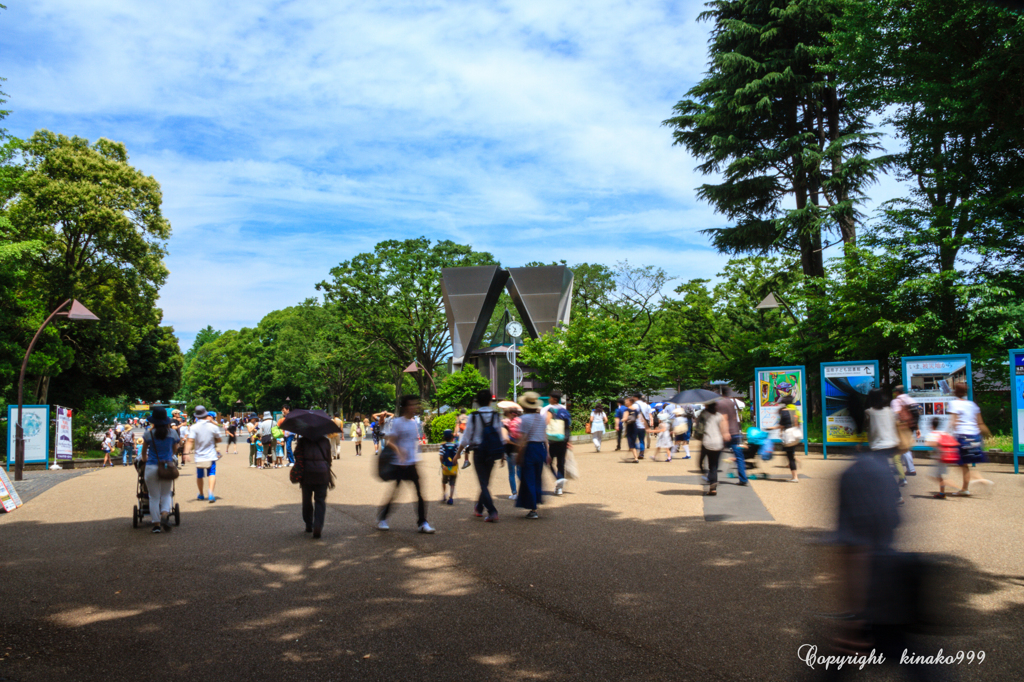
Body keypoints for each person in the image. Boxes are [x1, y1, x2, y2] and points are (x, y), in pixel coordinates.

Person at [377, 396, 435, 533]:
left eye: (415, 405)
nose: (414, 407)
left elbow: (412, 443)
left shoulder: (413, 422)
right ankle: (382, 518)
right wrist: (400, 452)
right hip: (399, 464)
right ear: (405, 407)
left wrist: (415, 457)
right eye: (411, 405)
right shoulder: (398, 422)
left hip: (412, 463)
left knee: (420, 494)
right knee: (395, 493)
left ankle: (422, 523)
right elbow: (390, 442)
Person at [457, 389, 507, 522]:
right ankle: (479, 508)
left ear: (477, 402)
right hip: (492, 452)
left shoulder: (473, 416)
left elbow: (466, 438)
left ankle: (492, 511)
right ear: (491, 400)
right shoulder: (496, 415)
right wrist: (502, 454)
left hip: (479, 452)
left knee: (483, 483)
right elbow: (500, 435)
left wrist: (458, 453)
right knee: (485, 482)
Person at [947, 382, 993, 497]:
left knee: (961, 463)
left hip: (962, 436)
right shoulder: (973, 405)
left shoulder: (954, 404)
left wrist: (948, 435)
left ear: (955, 391)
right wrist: (989, 435)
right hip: (975, 436)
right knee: (964, 463)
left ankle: (980, 480)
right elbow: (980, 423)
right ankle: (965, 488)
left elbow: (954, 422)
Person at [140, 407, 179, 533]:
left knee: (153, 496)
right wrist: (169, 456)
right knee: (166, 494)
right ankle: (164, 514)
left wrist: (146, 459)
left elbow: (143, 453)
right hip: (167, 466)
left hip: (151, 466)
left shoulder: (148, 433)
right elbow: (174, 450)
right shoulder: (173, 433)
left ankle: (156, 524)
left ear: (154, 421)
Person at [515, 392, 550, 519]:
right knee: (537, 477)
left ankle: (533, 508)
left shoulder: (524, 419)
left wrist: (519, 454)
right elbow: (545, 436)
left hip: (529, 448)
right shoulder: (541, 418)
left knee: (528, 479)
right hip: (540, 448)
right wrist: (548, 452)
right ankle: (536, 500)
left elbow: (523, 439)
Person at [296, 434, 334, 538]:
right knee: (320, 500)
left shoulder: (303, 441)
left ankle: (309, 523)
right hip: (322, 472)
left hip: (307, 472)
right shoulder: (325, 441)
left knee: (307, 499)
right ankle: (318, 525)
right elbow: (328, 458)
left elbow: (297, 455)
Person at [187, 405, 222, 503]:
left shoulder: (194, 427)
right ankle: (210, 493)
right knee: (212, 473)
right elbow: (219, 439)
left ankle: (201, 494)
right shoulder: (212, 426)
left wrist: (186, 452)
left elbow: (190, 440)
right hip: (211, 455)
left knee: (199, 475)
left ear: (196, 416)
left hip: (199, 456)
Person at [543, 390, 571, 495]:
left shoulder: (550, 410)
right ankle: (559, 488)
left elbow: (546, 423)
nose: (549, 399)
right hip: (563, 440)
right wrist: (569, 440)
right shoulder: (564, 410)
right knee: (561, 464)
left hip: (553, 440)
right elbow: (568, 426)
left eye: (550, 398)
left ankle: (557, 479)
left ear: (554, 399)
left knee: (548, 462)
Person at [717, 395, 748, 486]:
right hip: (735, 432)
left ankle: (712, 477)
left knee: (716, 456)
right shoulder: (732, 402)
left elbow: (724, 419)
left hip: (727, 434)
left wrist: (725, 432)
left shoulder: (721, 403)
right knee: (739, 457)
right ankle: (743, 479)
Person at [695, 401, 724, 495]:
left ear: (707, 405)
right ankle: (713, 486)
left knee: (700, 462)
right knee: (713, 465)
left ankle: (706, 475)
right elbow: (722, 429)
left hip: (707, 441)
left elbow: (698, 427)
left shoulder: (703, 414)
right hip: (718, 442)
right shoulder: (719, 415)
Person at [890, 385, 919, 478]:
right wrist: (917, 428)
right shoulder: (909, 399)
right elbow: (916, 414)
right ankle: (906, 468)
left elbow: (896, 414)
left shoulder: (896, 401)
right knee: (905, 447)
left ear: (897, 392)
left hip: (901, 426)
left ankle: (909, 469)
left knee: (903, 447)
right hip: (911, 426)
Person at [777, 395, 802, 482]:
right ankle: (794, 464)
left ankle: (795, 477)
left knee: (790, 456)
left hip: (789, 435)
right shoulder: (795, 410)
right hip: (795, 435)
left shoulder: (784, 412)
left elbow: (781, 425)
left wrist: (780, 432)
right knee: (791, 453)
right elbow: (798, 422)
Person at [502, 405, 522, 500]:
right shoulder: (521, 421)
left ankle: (514, 493)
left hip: (510, 450)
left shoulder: (506, 423)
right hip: (520, 450)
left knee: (511, 473)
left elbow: (505, 439)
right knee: (520, 472)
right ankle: (524, 491)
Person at [439, 429, 459, 504]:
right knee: (452, 483)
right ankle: (450, 498)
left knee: (444, 481)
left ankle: (444, 495)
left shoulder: (443, 446)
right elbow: (458, 456)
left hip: (445, 467)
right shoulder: (455, 446)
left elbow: (441, 457)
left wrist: (442, 465)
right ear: (452, 437)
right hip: (453, 467)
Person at [631, 393, 651, 459]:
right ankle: (642, 453)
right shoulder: (646, 405)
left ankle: (637, 449)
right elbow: (648, 415)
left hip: (636, 424)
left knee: (632, 439)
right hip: (643, 424)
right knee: (641, 439)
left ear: (636, 397)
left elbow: (632, 415)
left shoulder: (634, 405)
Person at [623, 397, 642, 463]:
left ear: (630, 402)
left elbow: (625, 418)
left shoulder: (627, 410)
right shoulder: (636, 410)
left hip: (630, 427)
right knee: (632, 442)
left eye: (626, 401)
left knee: (631, 443)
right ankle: (635, 456)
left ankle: (636, 458)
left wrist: (621, 420)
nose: (625, 402)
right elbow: (637, 417)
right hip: (635, 427)